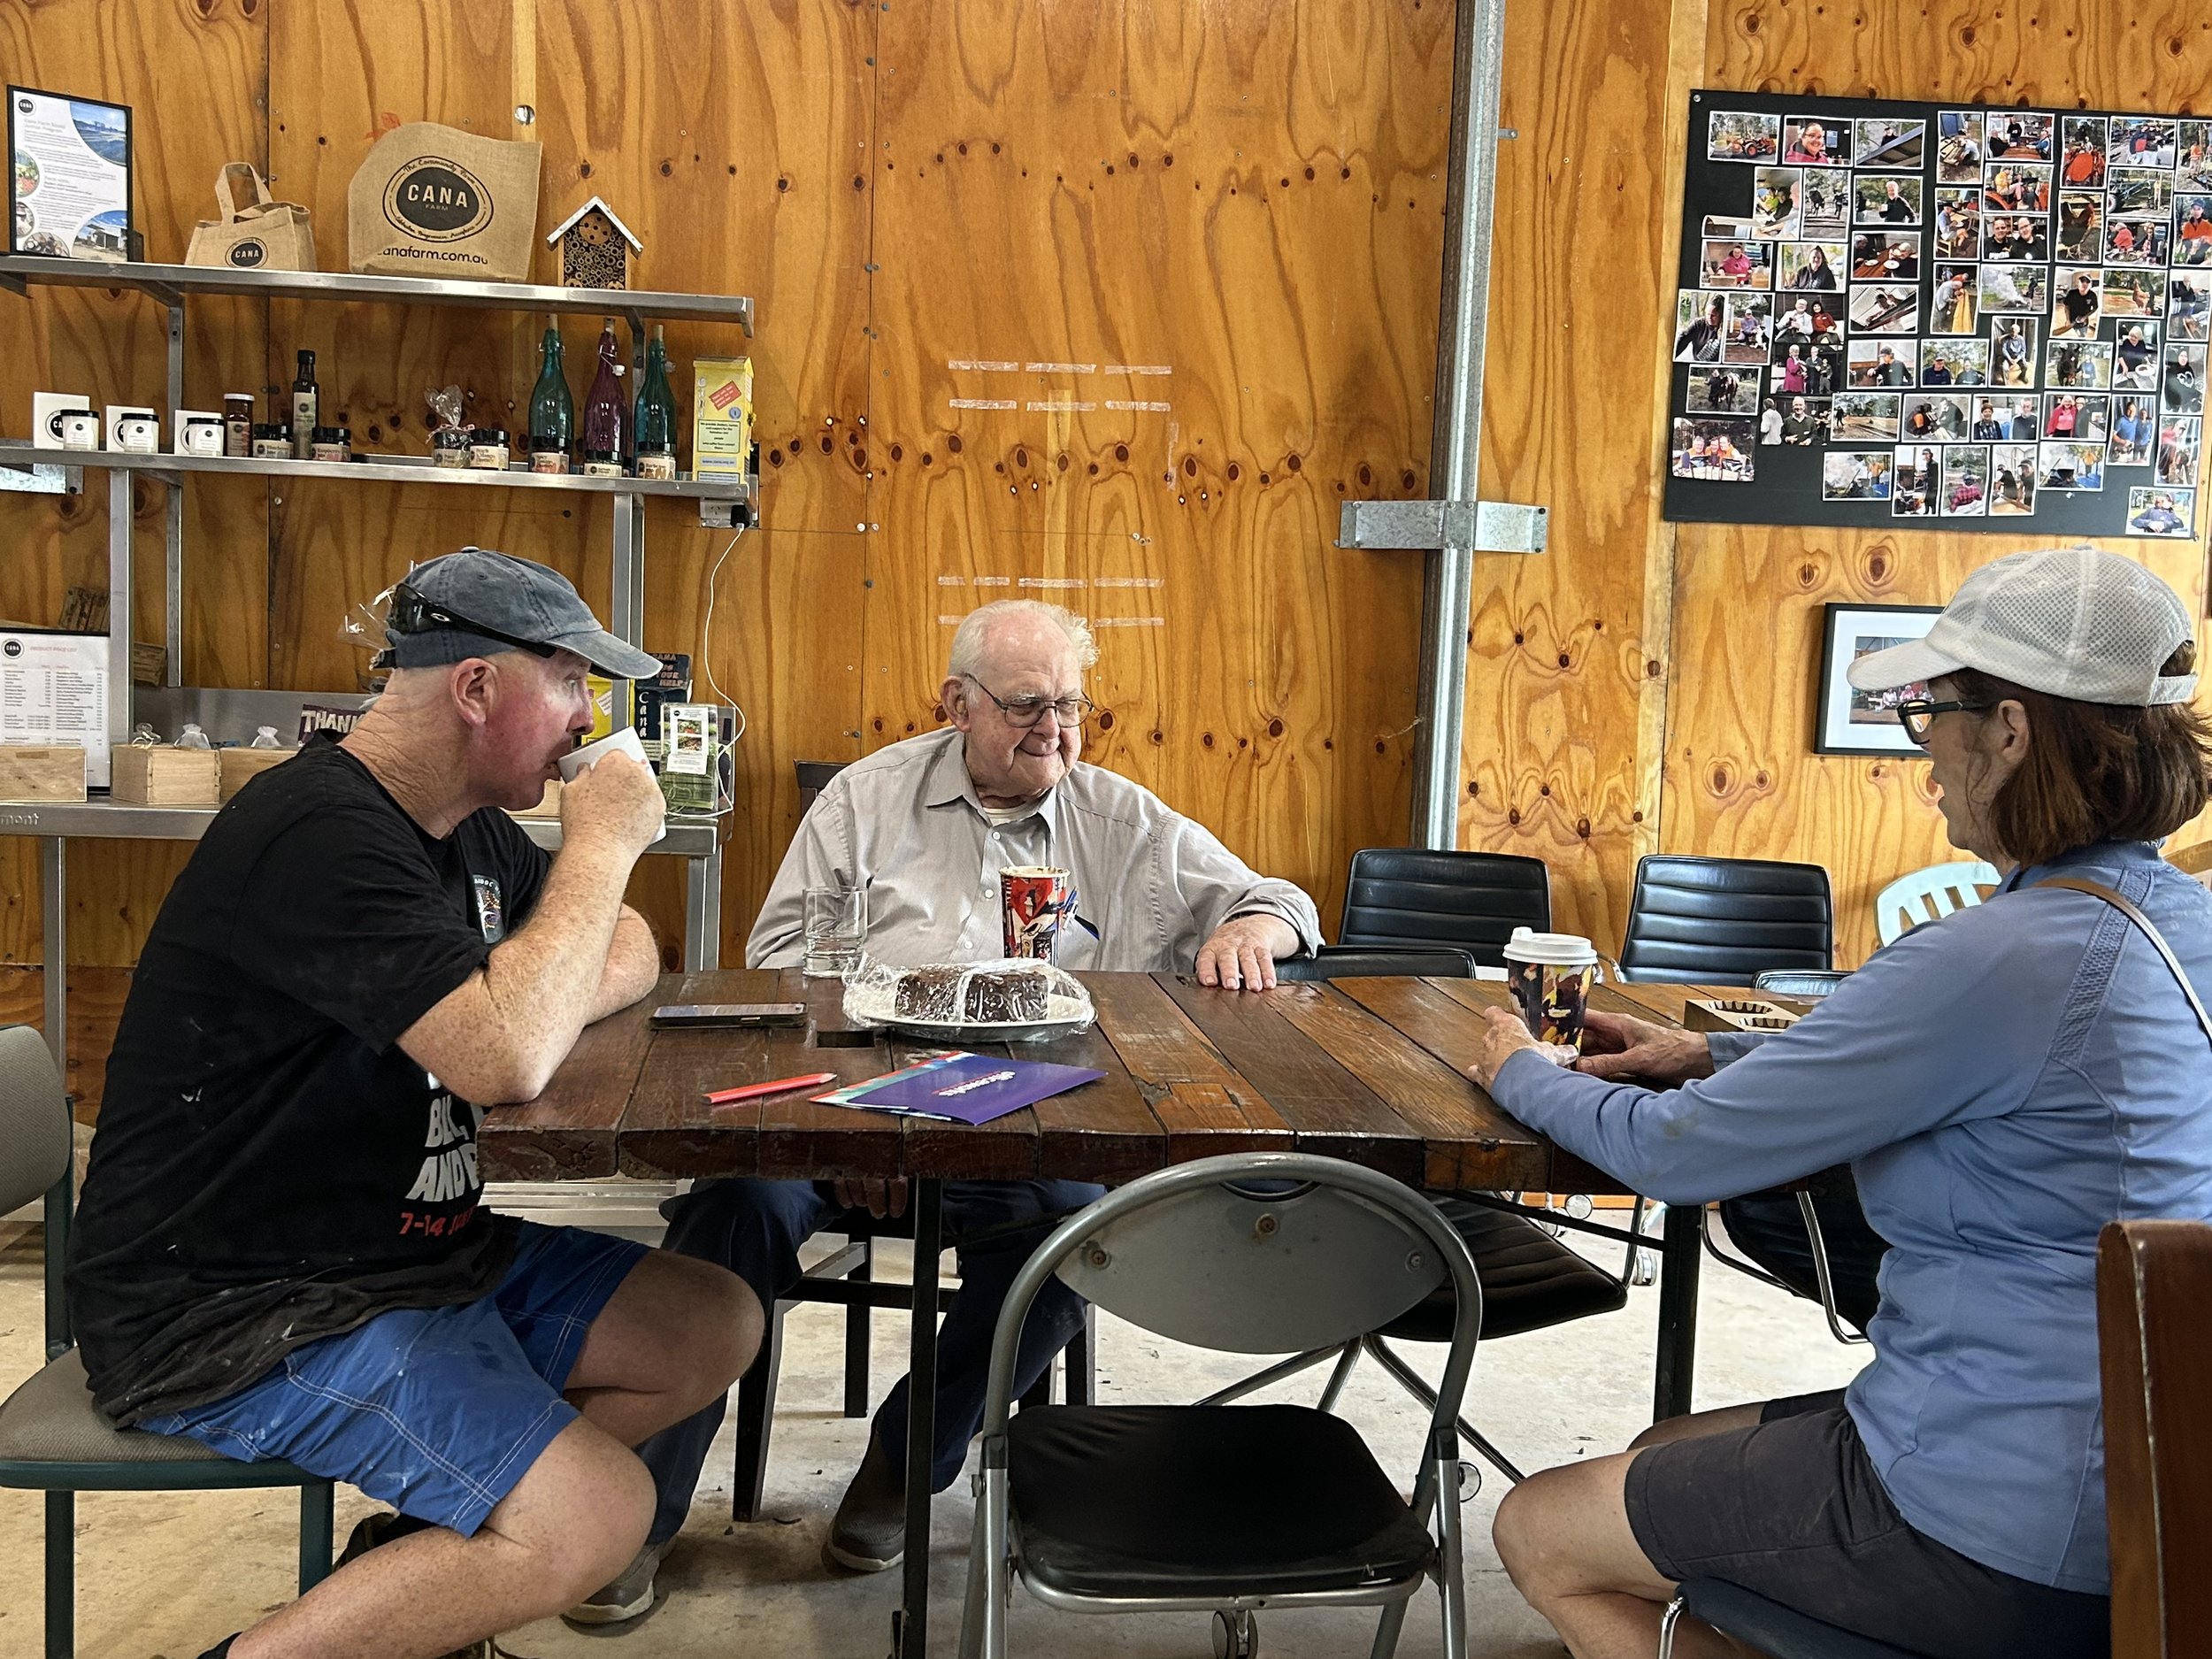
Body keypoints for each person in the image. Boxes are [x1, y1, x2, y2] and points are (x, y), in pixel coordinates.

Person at [1474, 547, 2212, 1659]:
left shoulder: (1999, 954)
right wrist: (1708, 1053)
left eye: (1931, 714)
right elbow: (1997, 1073)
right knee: (1663, 1451)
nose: (1926, 755)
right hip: (2153, 1484)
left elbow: (1676, 1158)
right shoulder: (2170, 920)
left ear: (2009, 731)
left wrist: (1515, 1067)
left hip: (2002, 1518)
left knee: (1540, 1528)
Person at [65, 549, 762, 1656]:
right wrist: (599, 852)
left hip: (404, 1256)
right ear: (476, 687)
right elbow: (508, 1058)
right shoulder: (321, 836)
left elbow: (626, 943)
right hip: (238, 1306)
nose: (588, 719)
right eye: (569, 681)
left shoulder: (462, 826)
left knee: (710, 1321)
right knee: (598, 1513)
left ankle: (409, 1585)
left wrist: (538, 988)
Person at [631, 601, 1325, 1592]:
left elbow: (1280, 899)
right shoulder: (865, 802)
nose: (1056, 729)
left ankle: (906, 1464)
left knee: (1078, 1241)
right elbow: (778, 965)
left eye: (1072, 705)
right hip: (850, 1112)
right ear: (956, 703)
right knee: (731, 1209)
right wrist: (863, 1124)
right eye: (1027, 705)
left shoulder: (1121, 821)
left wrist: (1252, 930)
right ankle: (635, 1513)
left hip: (1026, 1130)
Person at [1674, 296, 1724, 361]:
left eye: (1713, 315)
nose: (1710, 317)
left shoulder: (1725, 328)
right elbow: (1682, 339)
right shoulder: (1698, 324)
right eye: (1708, 314)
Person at [2055, 269, 2100, 336]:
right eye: (2082, 281)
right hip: (2071, 321)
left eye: (2087, 282)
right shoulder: (2072, 293)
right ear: (2079, 283)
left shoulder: (2092, 295)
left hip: (2084, 323)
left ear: (2090, 285)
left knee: (2082, 336)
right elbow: (2067, 306)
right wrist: (2067, 319)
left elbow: (2095, 308)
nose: (2084, 283)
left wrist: (2085, 317)